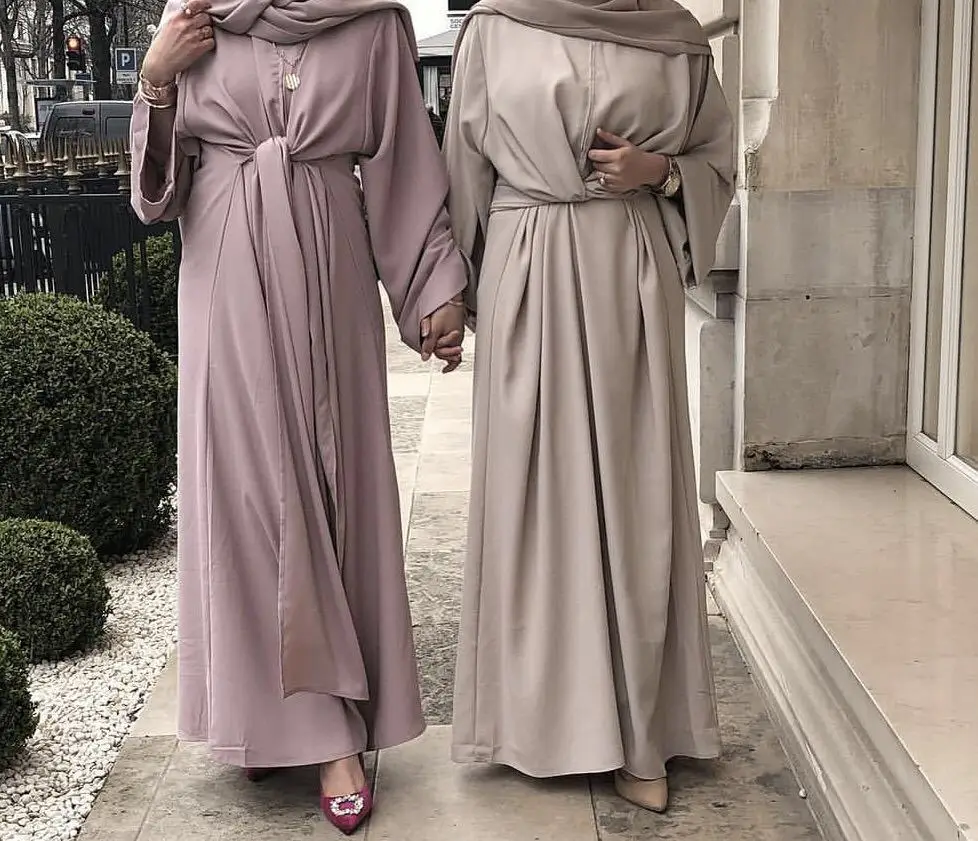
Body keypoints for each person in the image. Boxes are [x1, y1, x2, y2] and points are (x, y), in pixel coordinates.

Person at [130, 0, 467, 832]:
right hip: (225, 262)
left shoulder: (372, 22)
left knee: (334, 484)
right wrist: (156, 80)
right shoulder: (197, 11)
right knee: (247, 496)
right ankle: (275, 716)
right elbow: (159, 196)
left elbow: (401, 159)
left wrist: (433, 286)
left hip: (329, 259)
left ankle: (328, 726)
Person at [443, 0, 735, 814]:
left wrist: (661, 173)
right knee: (536, 494)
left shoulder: (676, 36)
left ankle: (644, 728)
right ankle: (537, 721)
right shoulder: (496, 26)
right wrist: (450, 292)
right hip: (527, 263)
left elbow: (716, 162)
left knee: (639, 499)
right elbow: (462, 167)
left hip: (629, 271)